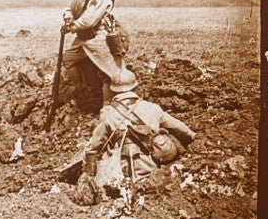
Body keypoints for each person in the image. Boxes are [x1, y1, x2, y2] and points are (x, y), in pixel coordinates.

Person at [71, 68, 196, 205]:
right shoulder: (151, 108)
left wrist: (88, 174)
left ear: (113, 90)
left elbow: (93, 148)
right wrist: (194, 138)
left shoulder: (108, 114)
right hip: (152, 171)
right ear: (136, 87)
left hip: (121, 175)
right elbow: (180, 128)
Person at [60, 0, 129, 107]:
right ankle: (82, 90)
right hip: (83, 38)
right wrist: (67, 14)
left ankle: (107, 106)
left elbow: (88, 20)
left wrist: (71, 27)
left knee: (108, 74)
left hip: (99, 37)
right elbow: (74, 8)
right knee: (67, 59)